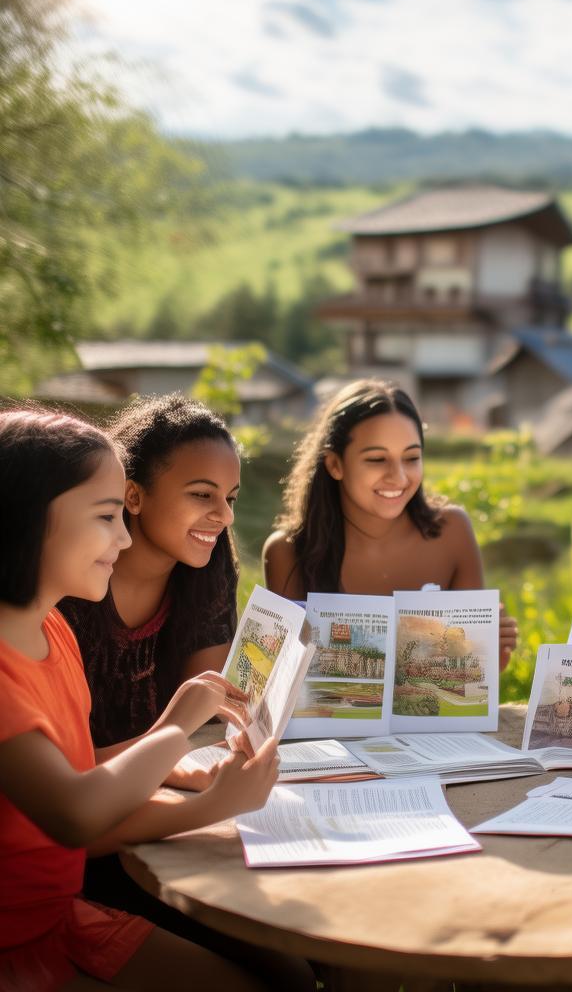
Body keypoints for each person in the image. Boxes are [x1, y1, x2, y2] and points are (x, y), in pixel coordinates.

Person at [0, 407, 297, 992]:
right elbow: (77, 814)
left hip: (60, 915)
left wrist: (177, 745)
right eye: (108, 516)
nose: (124, 536)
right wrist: (178, 734)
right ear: (28, 520)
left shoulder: (48, 633)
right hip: (17, 938)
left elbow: (82, 774)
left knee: (284, 972)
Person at [263, 378, 518, 664]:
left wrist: (490, 653)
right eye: (376, 459)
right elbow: (284, 681)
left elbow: (472, 679)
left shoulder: (453, 532)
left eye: (411, 458)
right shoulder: (287, 551)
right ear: (335, 464)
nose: (398, 477)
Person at [61, 394, 241, 749]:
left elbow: (204, 714)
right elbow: (64, 768)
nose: (226, 515)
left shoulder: (211, 572)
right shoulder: (71, 581)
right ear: (133, 496)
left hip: (164, 771)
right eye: (202, 495)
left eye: (230, 498)